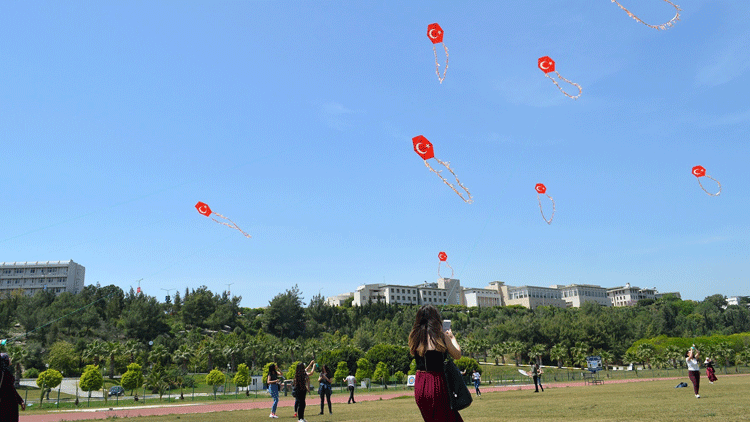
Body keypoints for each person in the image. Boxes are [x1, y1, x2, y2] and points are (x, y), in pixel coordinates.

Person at [408, 304, 464, 422]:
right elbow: (457, 355)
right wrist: (452, 337)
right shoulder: (440, 336)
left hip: (420, 384)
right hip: (437, 382)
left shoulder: (415, 336)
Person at [0, 353, 26, 422]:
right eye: (8, 358)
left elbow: (12, 389)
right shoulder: (5, 374)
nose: (10, 359)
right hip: (7, 405)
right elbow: (10, 390)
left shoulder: (6, 372)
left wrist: (20, 400)